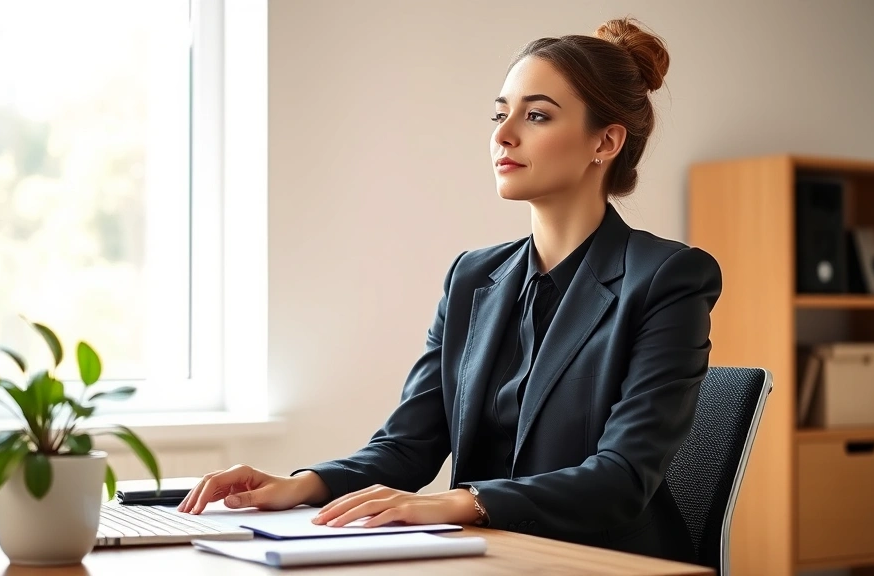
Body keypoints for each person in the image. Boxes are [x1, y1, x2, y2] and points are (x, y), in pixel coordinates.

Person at [178, 16, 721, 564]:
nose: (503, 134)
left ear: (605, 140)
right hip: (491, 557)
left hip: (605, 563)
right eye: (499, 113)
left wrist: (462, 502)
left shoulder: (669, 278)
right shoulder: (472, 278)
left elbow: (623, 477)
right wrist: (303, 485)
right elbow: (409, 444)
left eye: (535, 115)